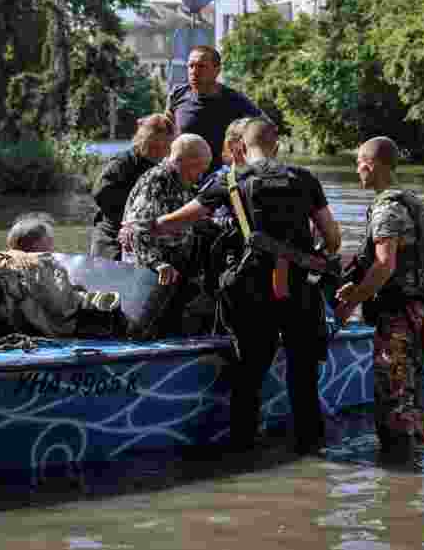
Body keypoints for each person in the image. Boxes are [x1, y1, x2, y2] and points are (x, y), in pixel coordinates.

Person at [140, 118, 342, 454]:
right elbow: (332, 237)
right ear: (277, 146)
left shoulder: (230, 179)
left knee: (248, 375)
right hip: (300, 290)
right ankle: (311, 450)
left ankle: (243, 451)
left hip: (251, 290)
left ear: (241, 147)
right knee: (303, 377)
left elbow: (180, 219)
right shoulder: (305, 179)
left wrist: (147, 226)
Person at [334, 136, 424, 451]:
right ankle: (413, 472)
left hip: (397, 317)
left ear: (372, 164)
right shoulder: (410, 201)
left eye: (359, 164)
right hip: (416, 313)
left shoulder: (386, 209)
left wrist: (353, 300)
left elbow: (384, 265)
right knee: (408, 394)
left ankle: (399, 477)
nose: (357, 171)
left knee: (394, 399)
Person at [121, 133, 212, 336]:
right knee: (142, 329)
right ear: (184, 161)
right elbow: (136, 229)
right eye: (199, 168)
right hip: (151, 270)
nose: (200, 175)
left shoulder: (182, 181)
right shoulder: (157, 180)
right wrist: (157, 263)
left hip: (173, 269)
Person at [89, 114, 176, 260]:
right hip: (111, 237)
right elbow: (100, 193)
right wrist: (133, 215)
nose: (161, 151)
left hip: (143, 240)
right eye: (156, 146)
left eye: (165, 146)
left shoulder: (164, 168)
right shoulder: (123, 162)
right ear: (145, 140)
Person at [167, 46, 262, 174]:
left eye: (201, 66)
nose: (194, 72)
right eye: (191, 66)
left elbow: (264, 129)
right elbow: (166, 132)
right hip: (182, 178)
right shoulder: (178, 95)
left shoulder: (235, 100)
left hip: (219, 179)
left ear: (217, 70)